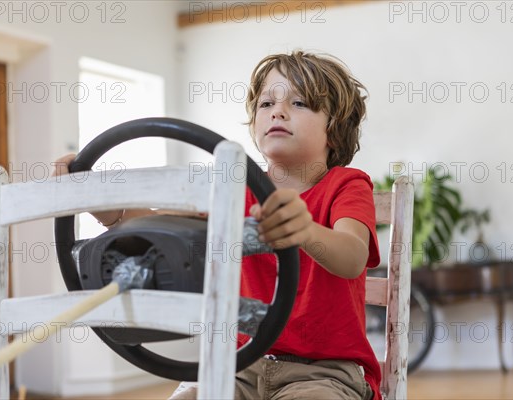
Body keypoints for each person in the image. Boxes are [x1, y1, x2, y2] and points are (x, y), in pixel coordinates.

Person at [55, 50, 381, 400]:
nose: (278, 111)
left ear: (335, 128)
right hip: (239, 366)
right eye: (266, 103)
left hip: (323, 372)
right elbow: (161, 227)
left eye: (299, 102)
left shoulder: (346, 184)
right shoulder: (236, 189)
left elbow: (352, 257)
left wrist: (307, 231)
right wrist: (105, 205)